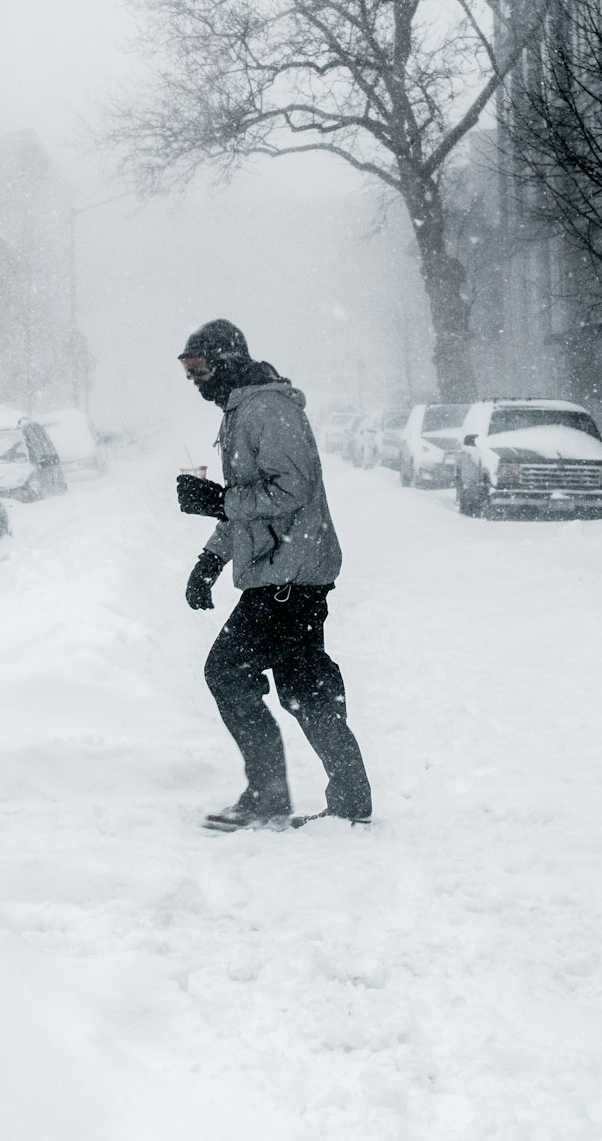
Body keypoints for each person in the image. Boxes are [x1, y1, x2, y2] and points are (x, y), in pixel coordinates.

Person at [176, 319, 372, 832]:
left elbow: (292, 491)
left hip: (290, 574)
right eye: (187, 370)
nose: (193, 380)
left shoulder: (268, 409)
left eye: (198, 369)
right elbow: (250, 507)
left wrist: (219, 501)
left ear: (225, 361)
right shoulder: (243, 411)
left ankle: (268, 797)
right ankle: (350, 799)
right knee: (305, 686)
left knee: (226, 671)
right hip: (286, 571)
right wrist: (210, 560)